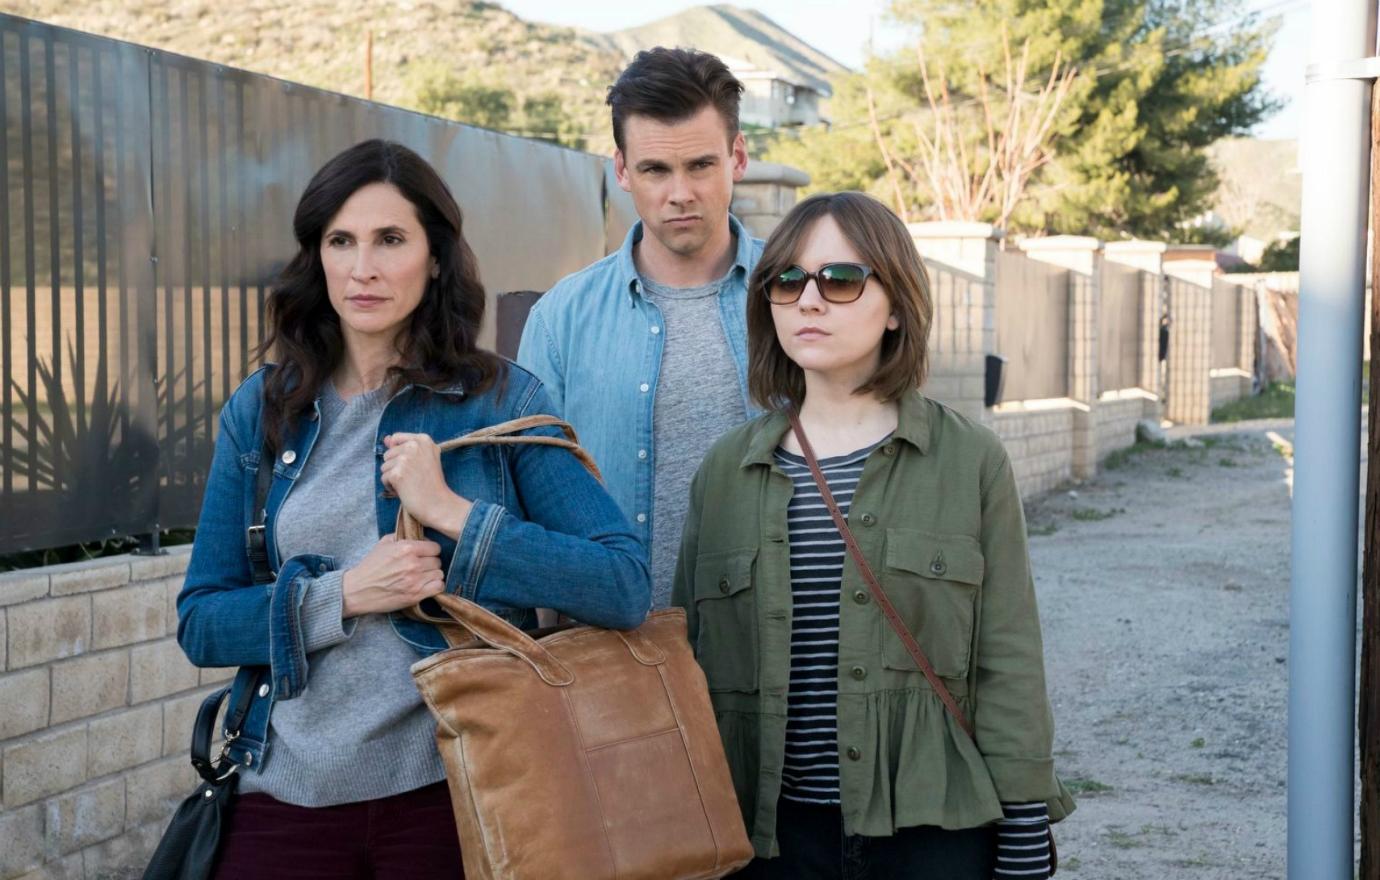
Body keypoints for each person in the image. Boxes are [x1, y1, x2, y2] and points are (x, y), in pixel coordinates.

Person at [176, 139, 650, 878]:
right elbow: (202, 620)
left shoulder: (500, 400)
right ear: (318, 259)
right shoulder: (262, 411)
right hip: (285, 790)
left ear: (434, 259)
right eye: (342, 241)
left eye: (390, 240)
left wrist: (456, 515)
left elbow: (620, 585)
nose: (362, 267)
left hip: (454, 790)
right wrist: (344, 595)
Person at [672, 192, 1074, 879]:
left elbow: (1007, 657)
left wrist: (1025, 826)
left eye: (842, 279)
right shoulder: (726, 472)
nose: (809, 301)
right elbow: (685, 665)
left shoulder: (969, 460)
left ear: (895, 307)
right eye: (787, 281)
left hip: (930, 832)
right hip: (768, 841)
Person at [517, 47, 761, 607]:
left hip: (780, 649)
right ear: (623, 170)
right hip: (619, 657)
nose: (681, 193)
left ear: (737, 158)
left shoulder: (797, 295)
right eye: (656, 169)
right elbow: (522, 495)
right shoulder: (561, 319)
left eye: (701, 165)